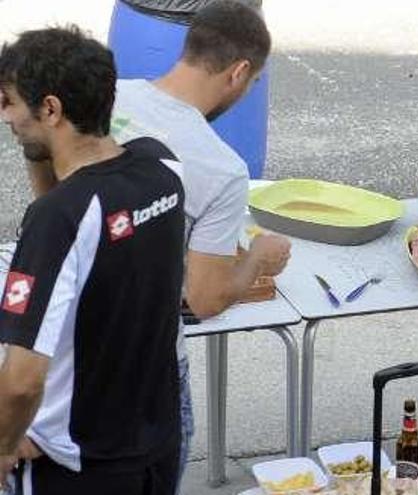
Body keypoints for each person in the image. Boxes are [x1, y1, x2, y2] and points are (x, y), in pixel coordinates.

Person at [110, 0, 290, 486]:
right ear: (239, 73)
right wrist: (257, 258)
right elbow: (205, 298)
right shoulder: (219, 168)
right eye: (252, 83)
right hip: (148, 369)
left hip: (71, 349)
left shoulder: (107, 98)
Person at [0, 26, 186, 495]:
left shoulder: (58, 220)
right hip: (155, 446)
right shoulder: (162, 169)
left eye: (8, 102)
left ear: (50, 109)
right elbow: (77, 200)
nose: (4, 115)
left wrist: (3, 446)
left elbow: (22, 383)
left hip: (78, 469)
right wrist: (39, 145)